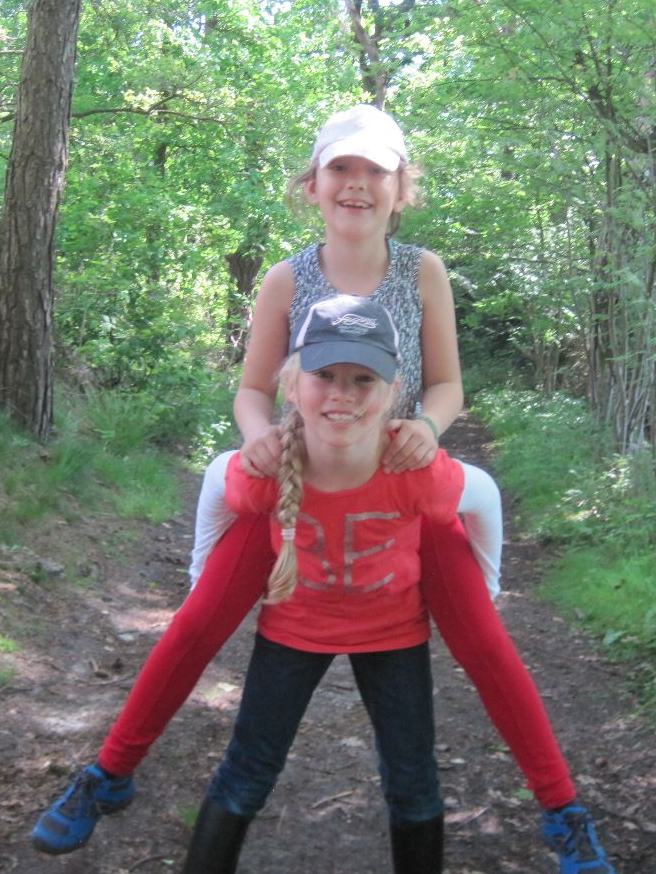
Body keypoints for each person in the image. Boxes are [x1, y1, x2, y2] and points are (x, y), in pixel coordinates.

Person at [31, 104, 615, 873]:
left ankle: (561, 810)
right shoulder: (287, 277)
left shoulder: (422, 271)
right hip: (296, 478)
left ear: (403, 187)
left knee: (485, 646)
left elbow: (445, 386)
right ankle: (109, 772)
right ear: (312, 184)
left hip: (402, 474)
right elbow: (251, 389)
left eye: (376, 170)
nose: (357, 185)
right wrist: (258, 439)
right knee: (197, 623)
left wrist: (428, 432)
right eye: (341, 168)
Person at [182, 294, 498, 874]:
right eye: (323, 374)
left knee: (412, 779)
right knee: (249, 768)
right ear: (292, 384)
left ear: (393, 390)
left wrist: (489, 585)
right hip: (293, 629)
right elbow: (218, 489)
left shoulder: (416, 468)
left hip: (395, 635)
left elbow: (481, 495)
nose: (341, 394)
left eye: (363, 378)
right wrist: (200, 575)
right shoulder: (270, 467)